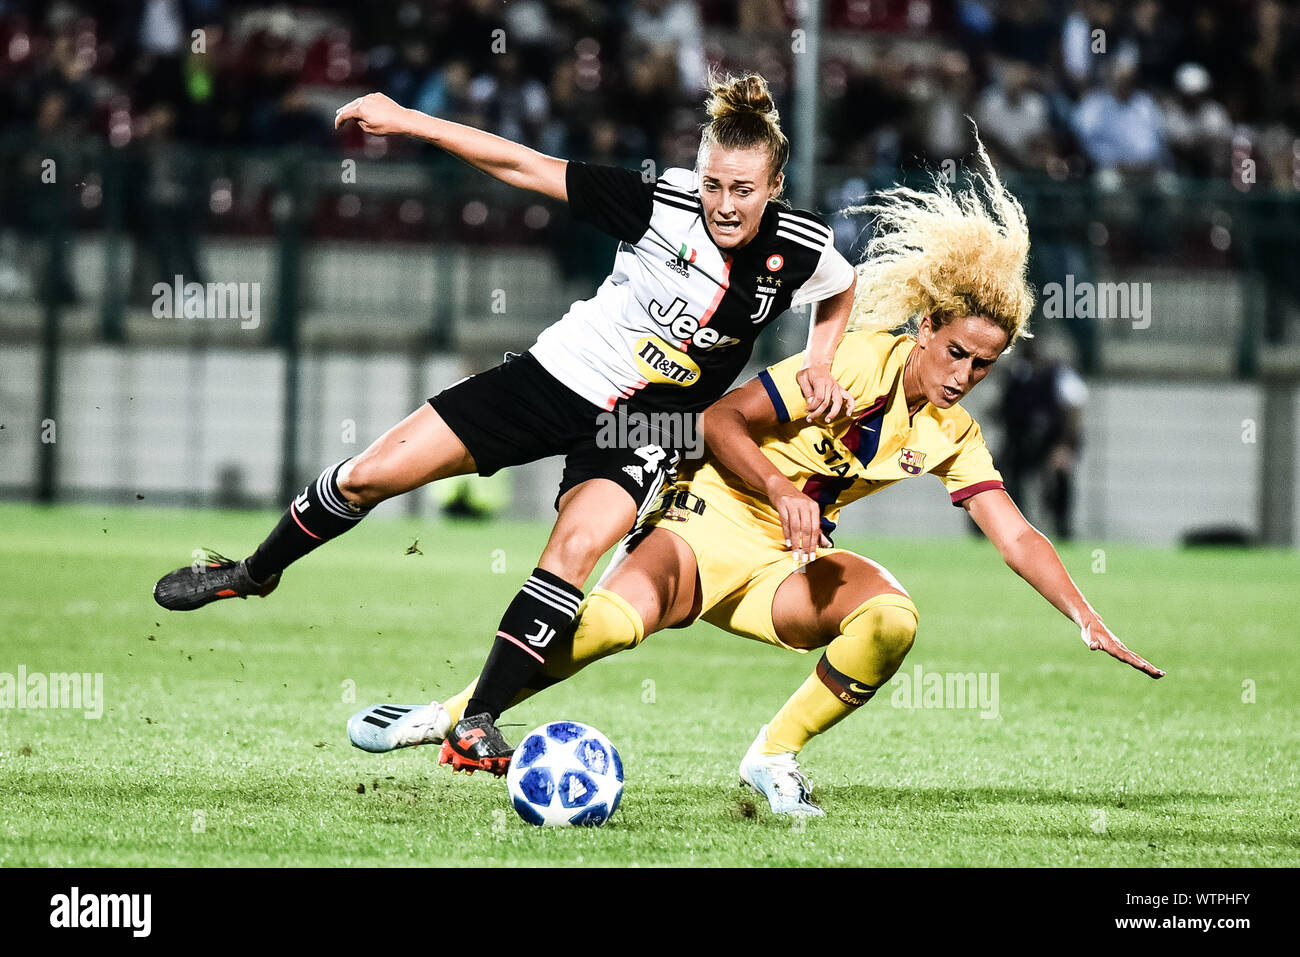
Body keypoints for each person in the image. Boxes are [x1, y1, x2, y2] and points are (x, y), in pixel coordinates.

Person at [349, 140, 1164, 815]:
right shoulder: (845, 356)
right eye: (956, 352)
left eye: (983, 365)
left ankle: (774, 756)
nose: (964, 374)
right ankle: (452, 715)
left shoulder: (953, 433)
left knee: (891, 619)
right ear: (926, 327)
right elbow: (714, 421)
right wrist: (779, 491)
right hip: (708, 510)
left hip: (786, 561)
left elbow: (1014, 530)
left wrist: (1082, 613)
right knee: (609, 627)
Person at [152, 72, 860, 774]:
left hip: (646, 426)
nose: (724, 205)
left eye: (742, 190)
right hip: (556, 378)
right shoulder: (659, 205)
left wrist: (819, 362)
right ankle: (251, 572)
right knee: (370, 475)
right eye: (714, 184)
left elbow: (841, 286)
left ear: (773, 189)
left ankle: (478, 722)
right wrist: (413, 121)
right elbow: (523, 165)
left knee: (576, 550)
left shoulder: (799, 247)